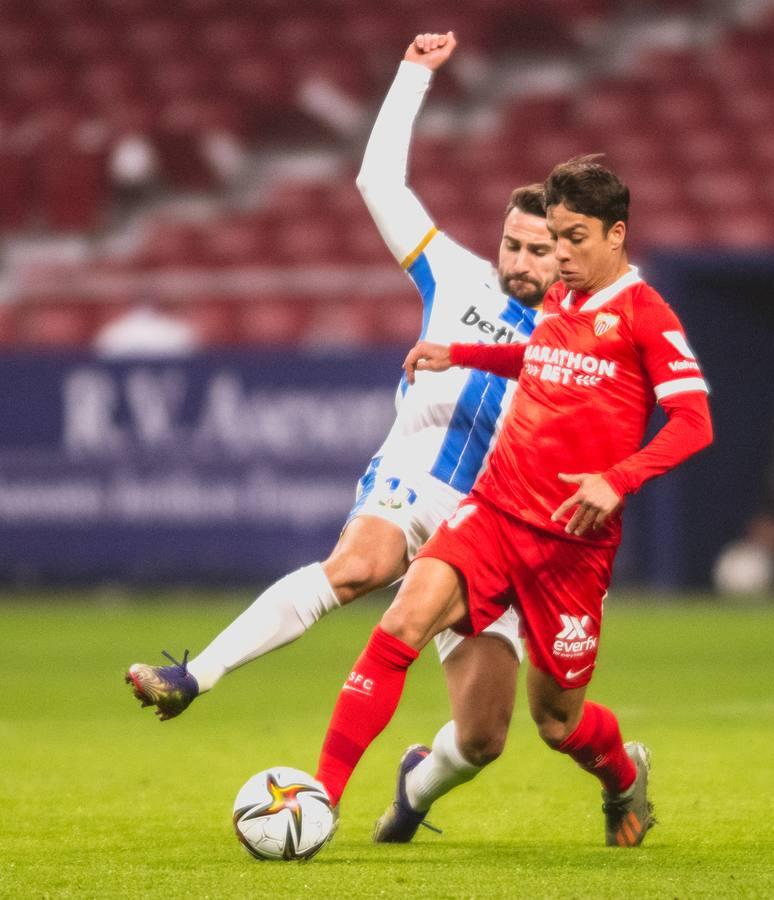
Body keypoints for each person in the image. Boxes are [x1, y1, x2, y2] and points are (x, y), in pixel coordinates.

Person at [125, 32, 559, 838]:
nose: (518, 260)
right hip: (411, 478)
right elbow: (376, 180)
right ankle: (194, 675)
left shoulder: (580, 334)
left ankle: (414, 791)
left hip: (492, 523)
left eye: (537, 250)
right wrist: (412, 76)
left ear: (565, 256)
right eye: (511, 242)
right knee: (358, 567)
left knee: (484, 737)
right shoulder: (453, 274)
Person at [311, 155, 714, 848]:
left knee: (556, 722)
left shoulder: (646, 315)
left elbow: (694, 422)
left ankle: (623, 776)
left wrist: (616, 479)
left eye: (575, 237)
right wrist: (460, 353)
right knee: (401, 624)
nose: (559, 253)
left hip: (571, 548)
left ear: (616, 235)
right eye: (554, 236)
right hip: (494, 511)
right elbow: (540, 358)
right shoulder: (561, 293)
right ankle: (318, 800)